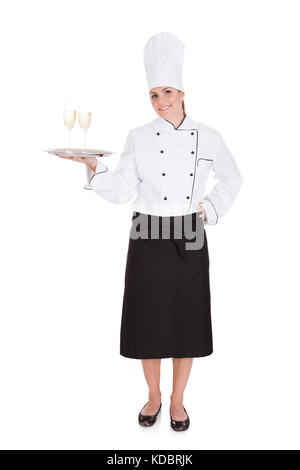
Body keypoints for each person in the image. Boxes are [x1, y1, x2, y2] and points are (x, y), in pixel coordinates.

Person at [57, 32, 243, 432]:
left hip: (190, 231)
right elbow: (124, 188)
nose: (161, 101)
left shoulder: (209, 136)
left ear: (182, 92)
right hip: (146, 229)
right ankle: (153, 395)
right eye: (154, 94)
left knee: (187, 320)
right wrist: (93, 167)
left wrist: (209, 208)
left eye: (168, 92)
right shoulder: (138, 137)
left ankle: (177, 400)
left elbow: (232, 178)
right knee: (148, 318)